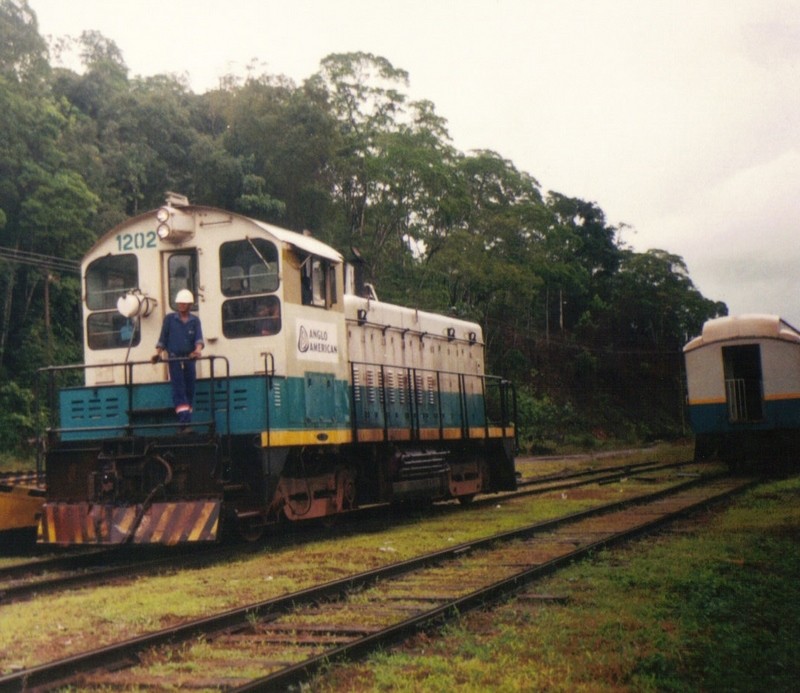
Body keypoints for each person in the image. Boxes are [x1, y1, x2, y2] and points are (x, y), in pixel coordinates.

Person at [151, 289, 204, 431]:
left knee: (190, 388)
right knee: (179, 388)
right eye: (180, 303)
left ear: (190, 305)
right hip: (174, 359)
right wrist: (158, 353)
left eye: (184, 303)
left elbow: (199, 339)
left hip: (189, 359)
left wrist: (197, 351)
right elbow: (163, 339)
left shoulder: (194, 321)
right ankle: (184, 421)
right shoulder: (169, 320)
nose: (181, 305)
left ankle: (186, 419)